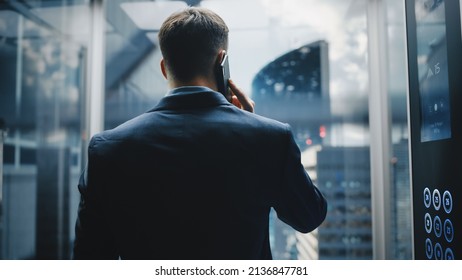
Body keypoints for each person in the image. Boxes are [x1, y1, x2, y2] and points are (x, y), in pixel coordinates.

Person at [73, 7, 327, 260]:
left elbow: (89, 258)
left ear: (164, 67)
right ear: (222, 62)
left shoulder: (107, 148)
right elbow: (309, 217)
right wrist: (251, 128)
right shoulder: (270, 138)